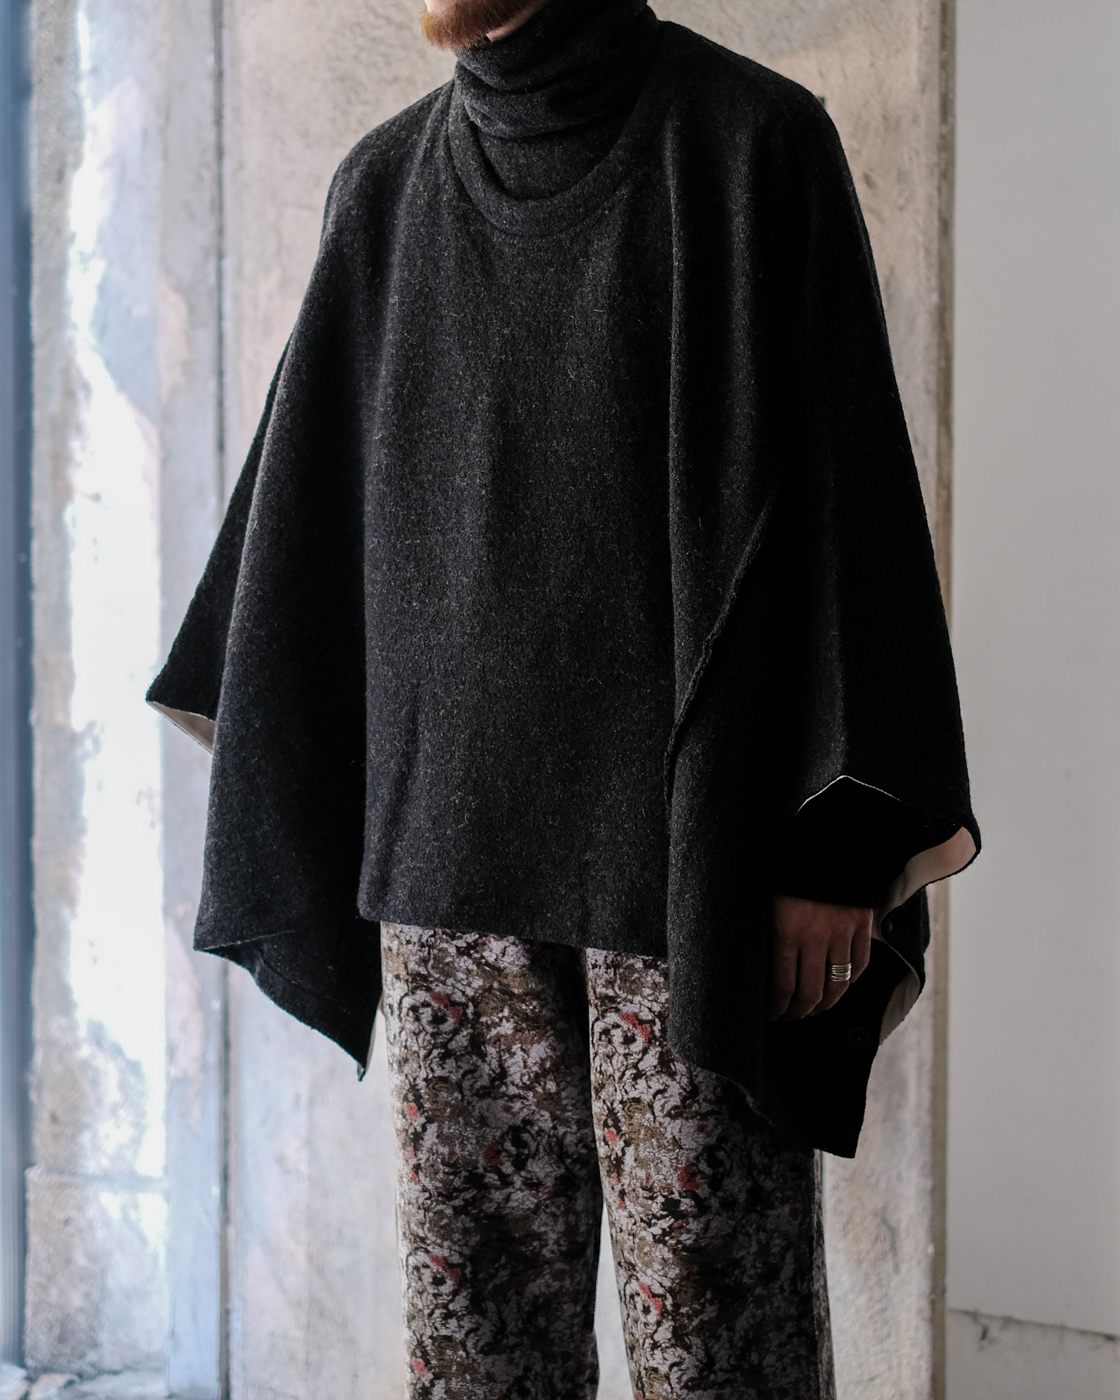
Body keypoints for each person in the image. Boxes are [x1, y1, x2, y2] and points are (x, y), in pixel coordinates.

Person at [147, 0, 979, 1393]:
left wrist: (839, 843)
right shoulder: (385, 186)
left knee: (719, 1353)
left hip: (687, 895)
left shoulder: (752, 147)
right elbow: (306, 548)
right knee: (475, 1360)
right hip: (446, 897)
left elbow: (850, 511)